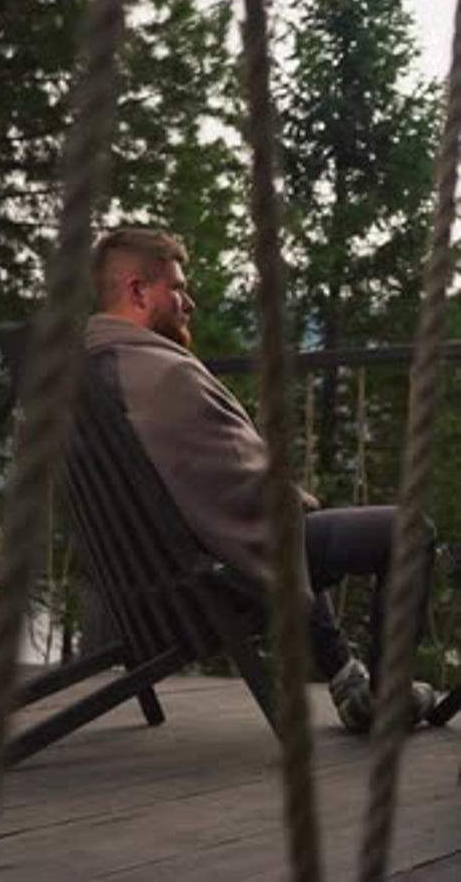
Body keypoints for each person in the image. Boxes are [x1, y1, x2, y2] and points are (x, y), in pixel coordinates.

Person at [84, 226, 436, 733]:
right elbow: (242, 489)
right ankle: (387, 695)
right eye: (177, 288)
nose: (189, 302)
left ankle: (345, 677)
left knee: (296, 527)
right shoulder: (162, 377)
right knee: (407, 531)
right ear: (138, 291)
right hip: (207, 576)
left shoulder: (98, 369)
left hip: (147, 577)